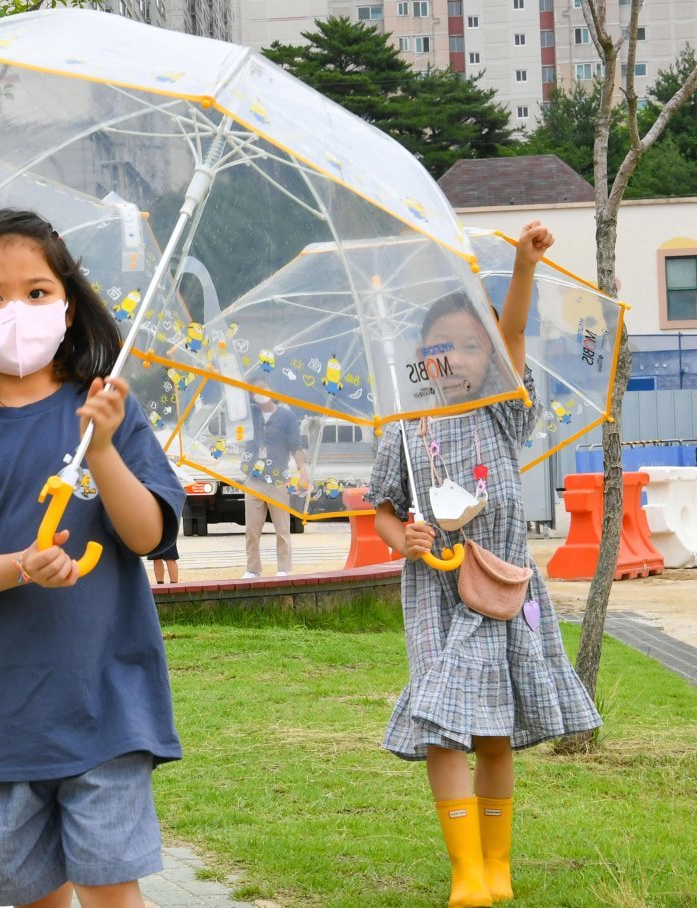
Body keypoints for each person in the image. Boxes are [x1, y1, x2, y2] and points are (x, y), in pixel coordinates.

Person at [0, 209, 185, 908]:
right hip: (1, 714)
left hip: (109, 704)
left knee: (111, 887)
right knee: (23, 895)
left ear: (68, 303)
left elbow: (149, 535)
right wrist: (21, 565)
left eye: (36, 292)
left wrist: (108, 448)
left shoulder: (107, 412)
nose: (17, 311)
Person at [366, 221, 601, 908]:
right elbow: (381, 508)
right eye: (443, 347)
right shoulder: (406, 432)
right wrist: (398, 537)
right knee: (445, 730)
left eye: (474, 346)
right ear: (419, 358)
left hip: (501, 589)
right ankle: (465, 870)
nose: (458, 357)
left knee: (495, 734)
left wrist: (524, 268)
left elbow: (517, 336)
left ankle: (497, 864)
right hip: (435, 596)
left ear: (491, 357)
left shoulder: (502, 414)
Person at [241, 393, 306, 578]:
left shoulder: (287, 417)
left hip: (278, 479)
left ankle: (283, 569)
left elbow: (296, 445)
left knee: (282, 529)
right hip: (254, 479)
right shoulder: (251, 413)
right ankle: (253, 569)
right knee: (252, 529)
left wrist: (302, 470)